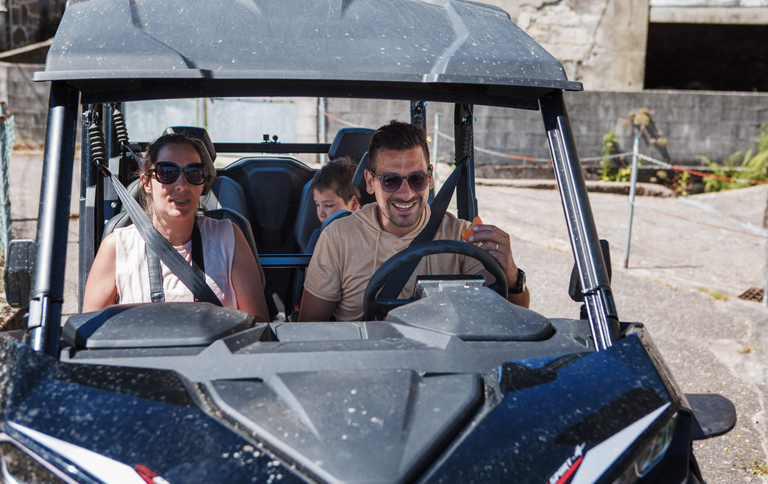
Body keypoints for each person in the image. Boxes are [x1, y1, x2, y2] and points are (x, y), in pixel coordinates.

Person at [298, 120, 529, 322]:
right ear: (370, 181)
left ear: (429, 178)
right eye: (390, 181)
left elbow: (509, 320)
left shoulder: (463, 236)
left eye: (416, 179)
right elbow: (311, 323)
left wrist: (512, 276)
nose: (406, 193)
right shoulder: (338, 237)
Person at [82, 131, 270, 321]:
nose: (181, 185)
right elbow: (91, 328)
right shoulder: (117, 246)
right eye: (167, 172)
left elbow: (258, 323)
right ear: (146, 183)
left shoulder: (229, 238)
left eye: (193, 173)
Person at [306, 156, 361, 253]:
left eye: (328, 205)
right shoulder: (320, 236)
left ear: (353, 204)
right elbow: (310, 268)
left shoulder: (370, 234)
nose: (320, 213)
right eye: (317, 205)